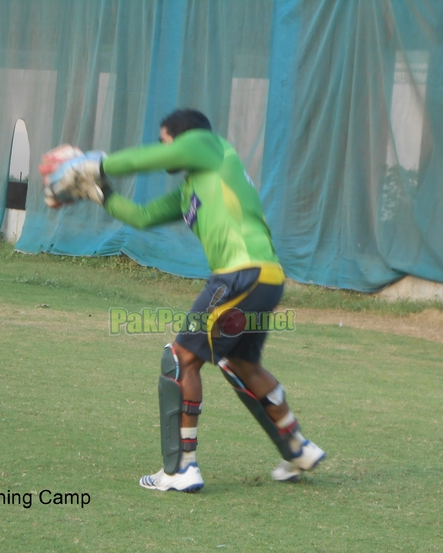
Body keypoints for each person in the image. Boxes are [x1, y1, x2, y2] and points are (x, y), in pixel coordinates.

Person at [40, 108, 325, 492]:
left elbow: (148, 159)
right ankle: (297, 447)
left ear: (180, 138)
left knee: (179, 359)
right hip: (266, 277)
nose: (163, 148)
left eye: (165, 139)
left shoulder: (211, 146)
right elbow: (142, 216)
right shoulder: (197, 183)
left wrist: (94, 164)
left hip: (239, 274)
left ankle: (180, 468)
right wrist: (98, 192)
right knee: (241, 361)